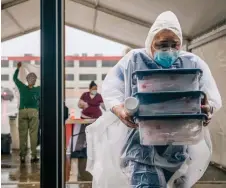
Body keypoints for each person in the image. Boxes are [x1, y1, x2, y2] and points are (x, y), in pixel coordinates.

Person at [86, 11, 222, 188]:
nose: (170, 50)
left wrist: (208, 110)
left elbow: (212, 97)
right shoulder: (134, 60)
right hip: (140, 147)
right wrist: (119, 109)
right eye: (163, 44)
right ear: (151, 42)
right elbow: (111, 87)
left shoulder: (192, 63)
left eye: (175, 44)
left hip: (179, 147)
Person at [13, 62, 40, 164]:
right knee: (33, 135)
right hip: (33, 112)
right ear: (34, 81)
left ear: (27, 80)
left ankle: (23, 157)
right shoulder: (38, 89)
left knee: (22, 135)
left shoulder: (22, 87)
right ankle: (33, 156)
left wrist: (17, 69)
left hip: (22, 111)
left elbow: (15, 79)